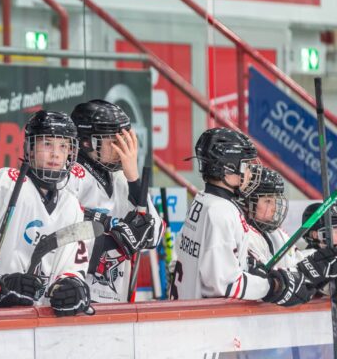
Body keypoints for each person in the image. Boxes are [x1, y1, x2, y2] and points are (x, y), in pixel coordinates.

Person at [0, 110, 96, 316]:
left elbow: (72, 267)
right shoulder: (5, 183)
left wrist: (71, 288)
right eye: (47, 144)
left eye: (63, 146)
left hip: (40, 320)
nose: (56, 154)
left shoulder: (71, 205)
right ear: (30, 148)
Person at [170, 127, 316, 306]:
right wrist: (274, 285)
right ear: (228, 168)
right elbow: (225, 284)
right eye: (246, 166)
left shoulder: (204, 200)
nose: (250, 173)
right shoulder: (221, 212)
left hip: (188, 313)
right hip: (205, 324)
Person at [67, 99, 163, 303]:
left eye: (124, 138)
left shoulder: (122, 176)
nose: (123, 147)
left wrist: (134, 179)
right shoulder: (71, 176)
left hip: (117, 298)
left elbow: (153, 236)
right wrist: (114, 234)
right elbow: (63, 237)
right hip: (76, 297)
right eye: (113, 140)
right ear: (87, 142)